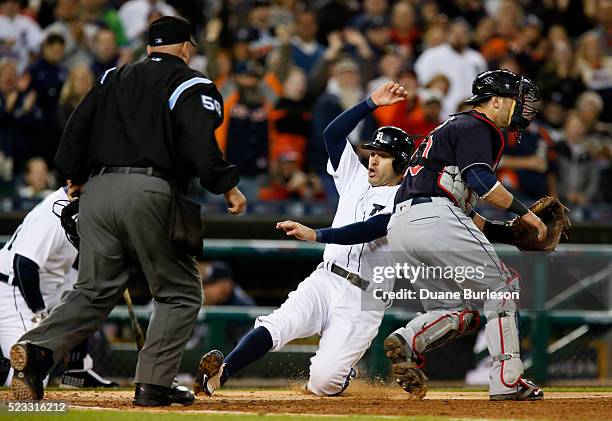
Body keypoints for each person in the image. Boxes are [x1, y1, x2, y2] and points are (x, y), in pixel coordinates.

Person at [9, 16, 246, 406]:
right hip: (150, 190)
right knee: (180, 292)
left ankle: (36, 351)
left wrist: (73, 176)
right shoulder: (191, 82)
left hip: (98, 191)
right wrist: (227, 186)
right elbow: (200, 144)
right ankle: (153, 383)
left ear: (149, 46)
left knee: (92, 291)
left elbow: (75, 128)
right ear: (186, 47)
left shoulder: (111, 77)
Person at [292, 70, 547, 401]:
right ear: (495, 101)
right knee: (503, 287)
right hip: (435, 218)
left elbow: (459, 206)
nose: (520, 107)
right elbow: (479, 180)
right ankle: (507, 380)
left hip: (404, 227)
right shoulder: (477, 126)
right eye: (514, 99)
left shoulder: (449, 129)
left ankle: (409, 339)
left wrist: (507, 232)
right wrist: (525, 213)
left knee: (458, 309)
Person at [194, 81, 413, 397]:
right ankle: (219, 376)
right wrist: (370, 103)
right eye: (373, 153)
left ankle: (343, 372)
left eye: (383, 155)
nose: (373, 160)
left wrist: (318, 234)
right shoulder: (356, 176)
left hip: (363, 299)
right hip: (326, 278)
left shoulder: (406, 198)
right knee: (276, 325)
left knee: (323, 382)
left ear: (402, 163)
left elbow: (371, 229)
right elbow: (332, 135)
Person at [0, 186, 117, 388]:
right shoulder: (53, 212)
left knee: (84, 295)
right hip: (16, 291)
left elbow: (70, 259)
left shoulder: (77, 207)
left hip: (44, 287)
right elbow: (23, 265)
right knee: (27, 376)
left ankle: (77, 370)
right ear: (73, 185)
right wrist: (39, 313)